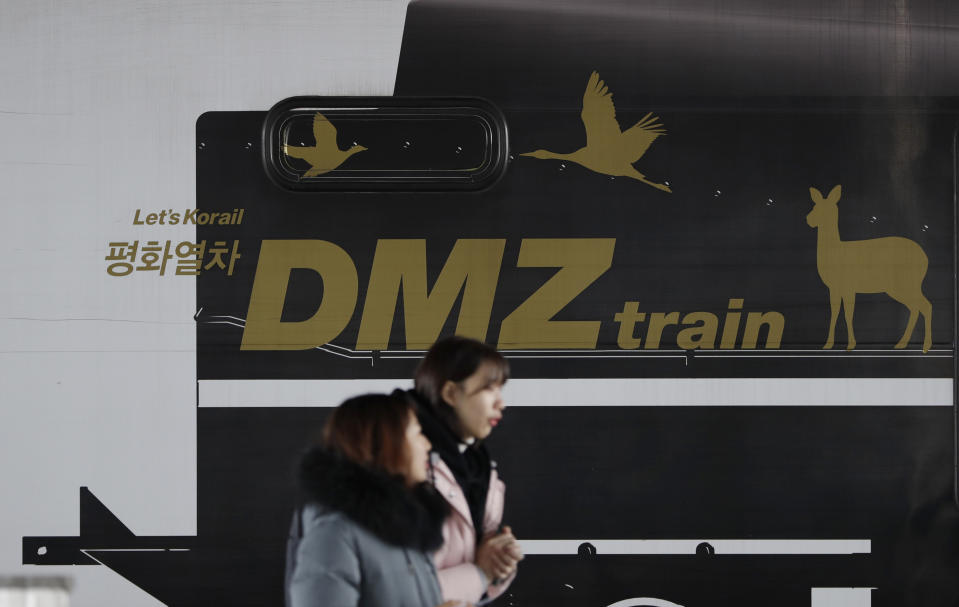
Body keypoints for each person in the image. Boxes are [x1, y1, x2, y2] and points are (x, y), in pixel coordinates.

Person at [285, 393, 469, 607]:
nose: (427, 445)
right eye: (418, 434)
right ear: (388, 443)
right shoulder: (334, 535)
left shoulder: (411, 530)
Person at [409, 336, 524, 604]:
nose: (501, 404)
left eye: (501, 390)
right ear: (450, 394)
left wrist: (498, 564)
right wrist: (480, 573)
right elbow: (397, 592)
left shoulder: (479, 468)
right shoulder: (403, 467)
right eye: (488, 389)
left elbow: (476, 585)